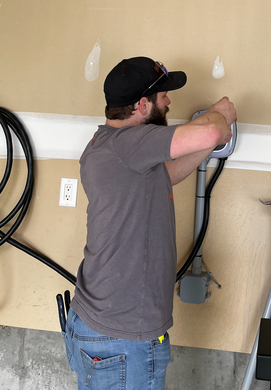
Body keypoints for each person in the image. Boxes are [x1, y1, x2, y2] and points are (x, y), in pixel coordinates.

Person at [63, 56, 236, 389]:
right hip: (122, 341)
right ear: (142, 105)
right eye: (163, 96)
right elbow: (211, 128)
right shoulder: (131, 144)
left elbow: (167, 175)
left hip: (102, 328)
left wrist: (211, 142)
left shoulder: (107, 147)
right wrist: (220, 116)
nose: (169, 101)